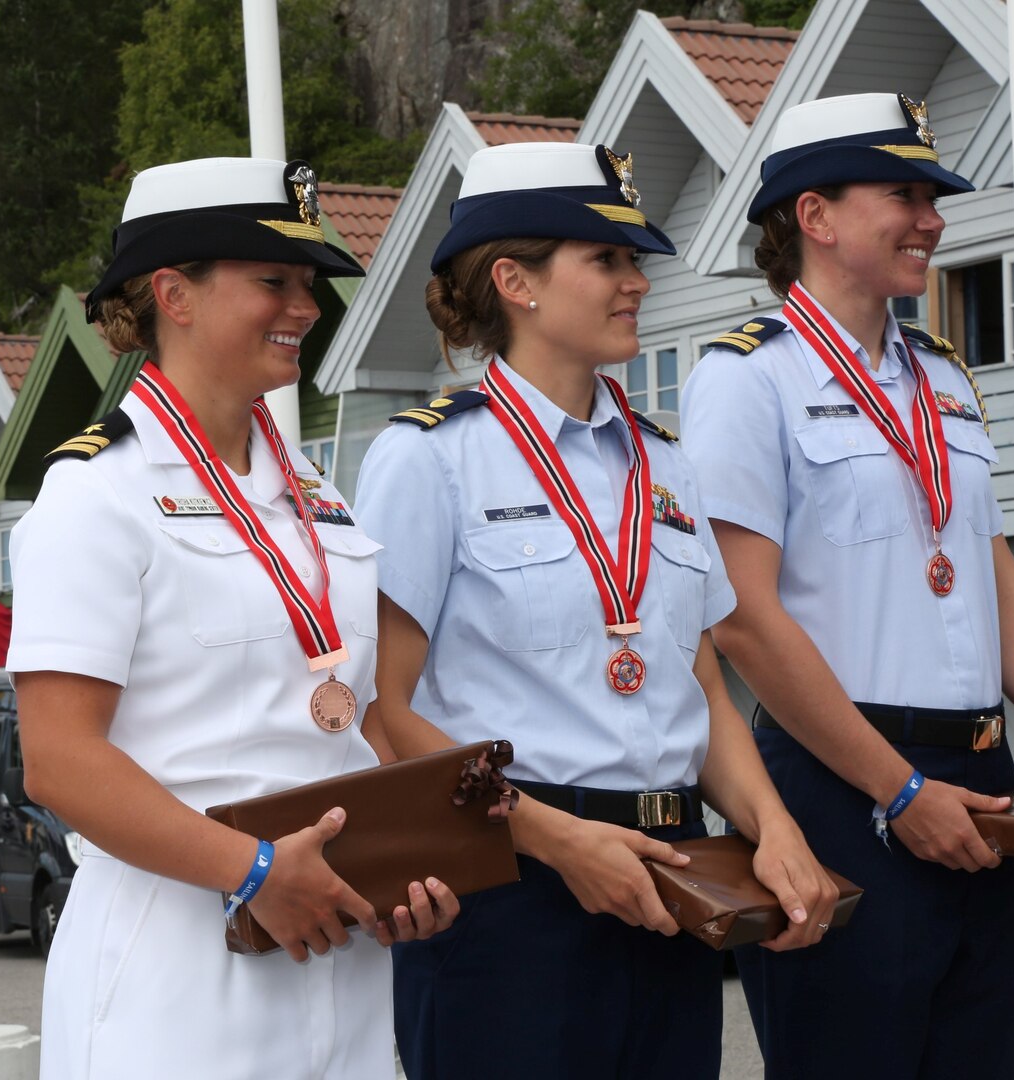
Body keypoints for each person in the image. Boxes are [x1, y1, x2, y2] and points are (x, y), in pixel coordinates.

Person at [679, 93, 1014, 1079]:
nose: (932, 217)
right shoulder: (746, 378)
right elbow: (744, 620)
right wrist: (896, 790)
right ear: (815, 217)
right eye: (903, 192)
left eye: (932, 194)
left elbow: (991, 579)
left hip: (981, 784)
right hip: (842, 789)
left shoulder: (940, 375)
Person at [353, 142, 837, 1080]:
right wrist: (555, 840)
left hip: (672, 880)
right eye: (607, 259)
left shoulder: (666, 462)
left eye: (636, 261)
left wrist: (774, 828)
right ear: (514, 281)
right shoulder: (428, 459)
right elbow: (383, 709)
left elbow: (700, 686)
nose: (636, 283)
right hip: (510, 888)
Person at [6, 156, 458, 1080]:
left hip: (342, 957)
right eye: (274, 281)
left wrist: (412, 865)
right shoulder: (96, 493)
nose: (306, 306)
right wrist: (253, 870)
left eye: (310, 284)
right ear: (173, 293)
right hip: (176, 967)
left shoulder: (315, 494)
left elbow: (352, 717)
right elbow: (59, 758)